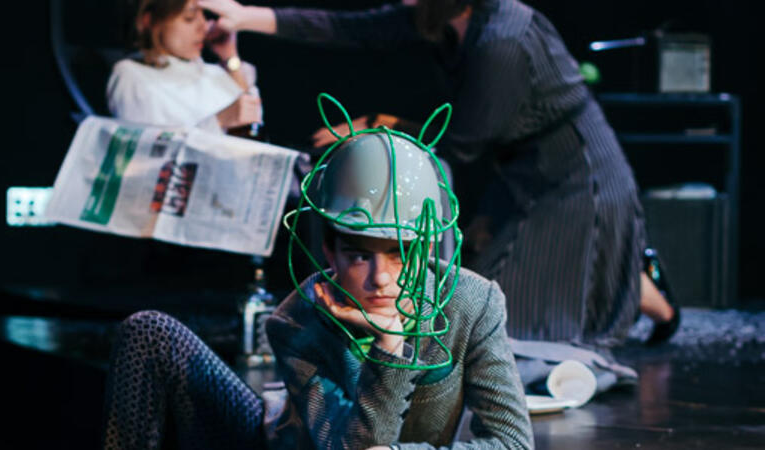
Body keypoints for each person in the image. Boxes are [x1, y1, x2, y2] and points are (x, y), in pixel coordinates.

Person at [197, 0, 679, 348]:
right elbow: (345, 28)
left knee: (493, 321)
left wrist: (375, 124)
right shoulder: (444, 14)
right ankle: (637, 279)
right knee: (502, 301)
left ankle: (639, 283)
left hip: (577, 178)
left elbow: (463, 142)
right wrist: (244, 16)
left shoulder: (502, 38)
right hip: (524, 176)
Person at [101, 96, 534, 449]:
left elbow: (513, 443)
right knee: (149, 330)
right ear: (329, 250)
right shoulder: (298, 319)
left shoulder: (473, 302)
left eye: (400, 253)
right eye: (360, 255)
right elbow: (348, 447)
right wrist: (389, 345)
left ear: (425, 243)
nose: (381, 277)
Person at [106, 0, 262, 135]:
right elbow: (148, 154)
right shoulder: (133, 75)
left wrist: (229, 56)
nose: (203, 26)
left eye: (203, 15)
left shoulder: (216, 73)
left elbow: (252, 121)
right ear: (152, 21)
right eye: (189, 18)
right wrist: (217, 122)